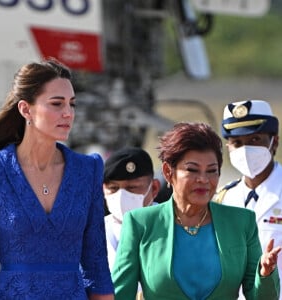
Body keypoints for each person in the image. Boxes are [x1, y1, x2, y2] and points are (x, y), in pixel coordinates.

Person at [0, 59, 114, 300]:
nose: (68, 113)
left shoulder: (88, 169)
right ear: (25, 109)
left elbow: (96, 264)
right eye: (56, 103)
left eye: (72, 104)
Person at [112, 122, 281, 300]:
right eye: (192, 170)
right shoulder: (140, 223)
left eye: (212, 171)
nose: (203, 179)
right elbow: (121, 294)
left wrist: (265, 274)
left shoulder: (241, 222)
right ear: (168, 173)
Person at [215, 99, 282, 299]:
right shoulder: (223, 198)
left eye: (255, 140)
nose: (245, 150)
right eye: (237, 143)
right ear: (228, 147)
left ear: (274, 142)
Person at [103, 147, 161, 271]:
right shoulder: (92, 233)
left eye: (132, 188)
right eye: (113, 188)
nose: (121, 196)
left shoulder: (173, 227)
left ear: (154, 188)